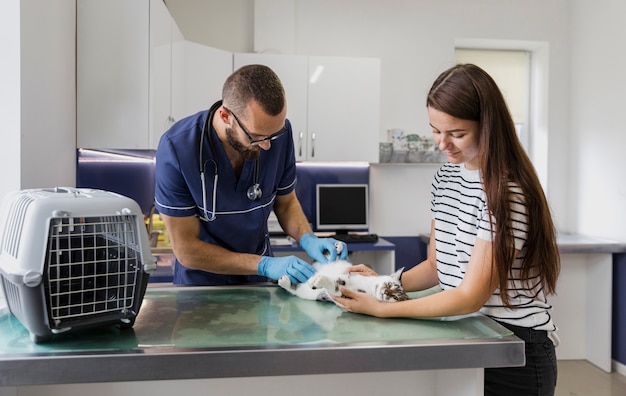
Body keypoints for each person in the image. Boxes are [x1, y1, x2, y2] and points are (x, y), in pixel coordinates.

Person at [333, 64, 561, 396]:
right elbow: (438, 267)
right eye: (435, 131)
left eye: (456, 134)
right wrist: (382, 284)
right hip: (468, 335)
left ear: (489, 126)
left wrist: (385, 308)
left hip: (513, 349)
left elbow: (470, 296)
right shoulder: (447, 178)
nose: (443, 144)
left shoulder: (507, 193)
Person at [154, 64, 347, 286]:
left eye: (273, 135)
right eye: (257, 137)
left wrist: (308, 238)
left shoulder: (277, 135)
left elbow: (285, 204)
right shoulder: (177, 148)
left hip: (260, 281)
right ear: (226, 116)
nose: (267, 146)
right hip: (202, 285)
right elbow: (186, 249)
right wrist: (263, 264)